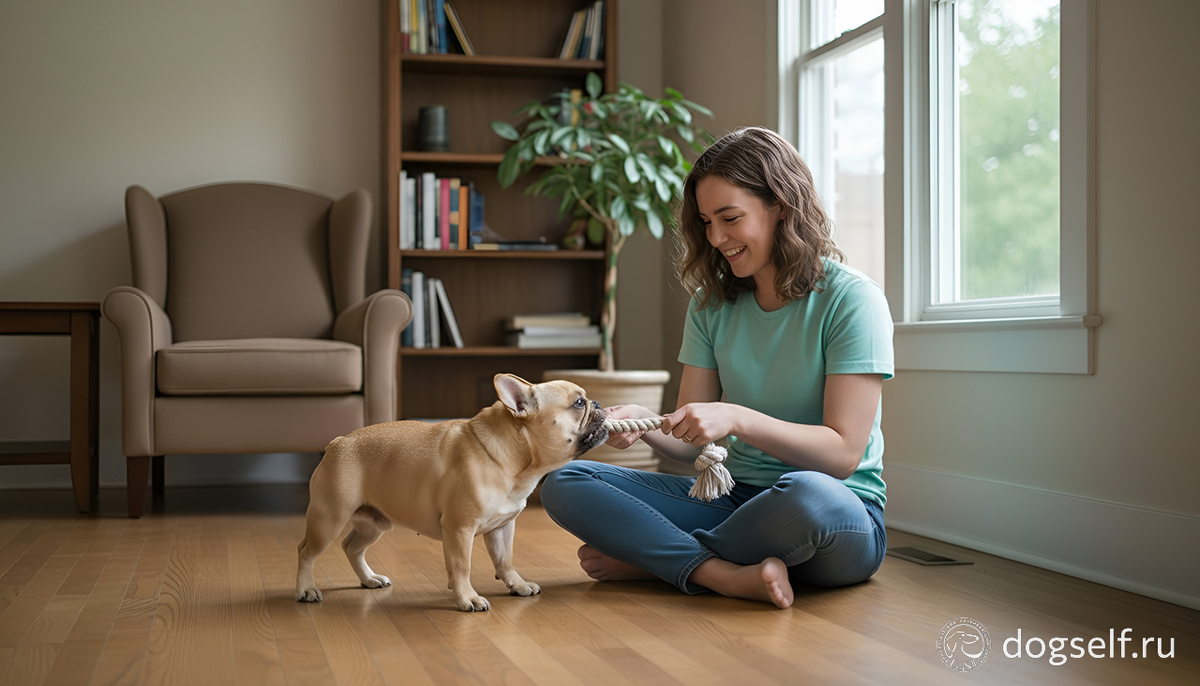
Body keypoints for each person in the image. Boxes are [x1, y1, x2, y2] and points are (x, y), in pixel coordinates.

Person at [539, 126, 894, 609]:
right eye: (706, 222)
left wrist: (739, 417)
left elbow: (842, 455)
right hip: (732, 500)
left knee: (812, 494)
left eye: (730, 218)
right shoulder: (711, 303)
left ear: (781, 207)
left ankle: (661, 562)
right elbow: (695, 443)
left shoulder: (853, 300)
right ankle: (723, 573)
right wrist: (645, 422)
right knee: (566, 482)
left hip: (838, 516)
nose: (716, 237)